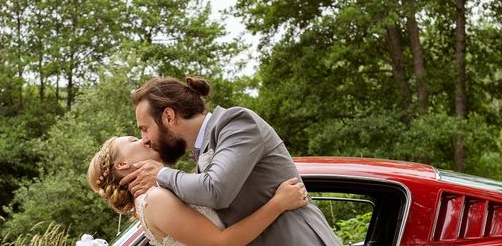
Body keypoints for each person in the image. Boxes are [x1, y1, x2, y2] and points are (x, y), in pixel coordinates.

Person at [120, 76, 341, 245]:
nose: (145, 140)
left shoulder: (237, 123)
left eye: (144, 129)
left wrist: (160, 174)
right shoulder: (201, 158)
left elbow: (216, 190)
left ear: (169, 116)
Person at [88, 135, 309, 246]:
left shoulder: (158, 194)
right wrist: (278, 203)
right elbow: (222, 242)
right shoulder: (154, 199)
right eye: (134, 140)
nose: (145, 138)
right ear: (122, 165)